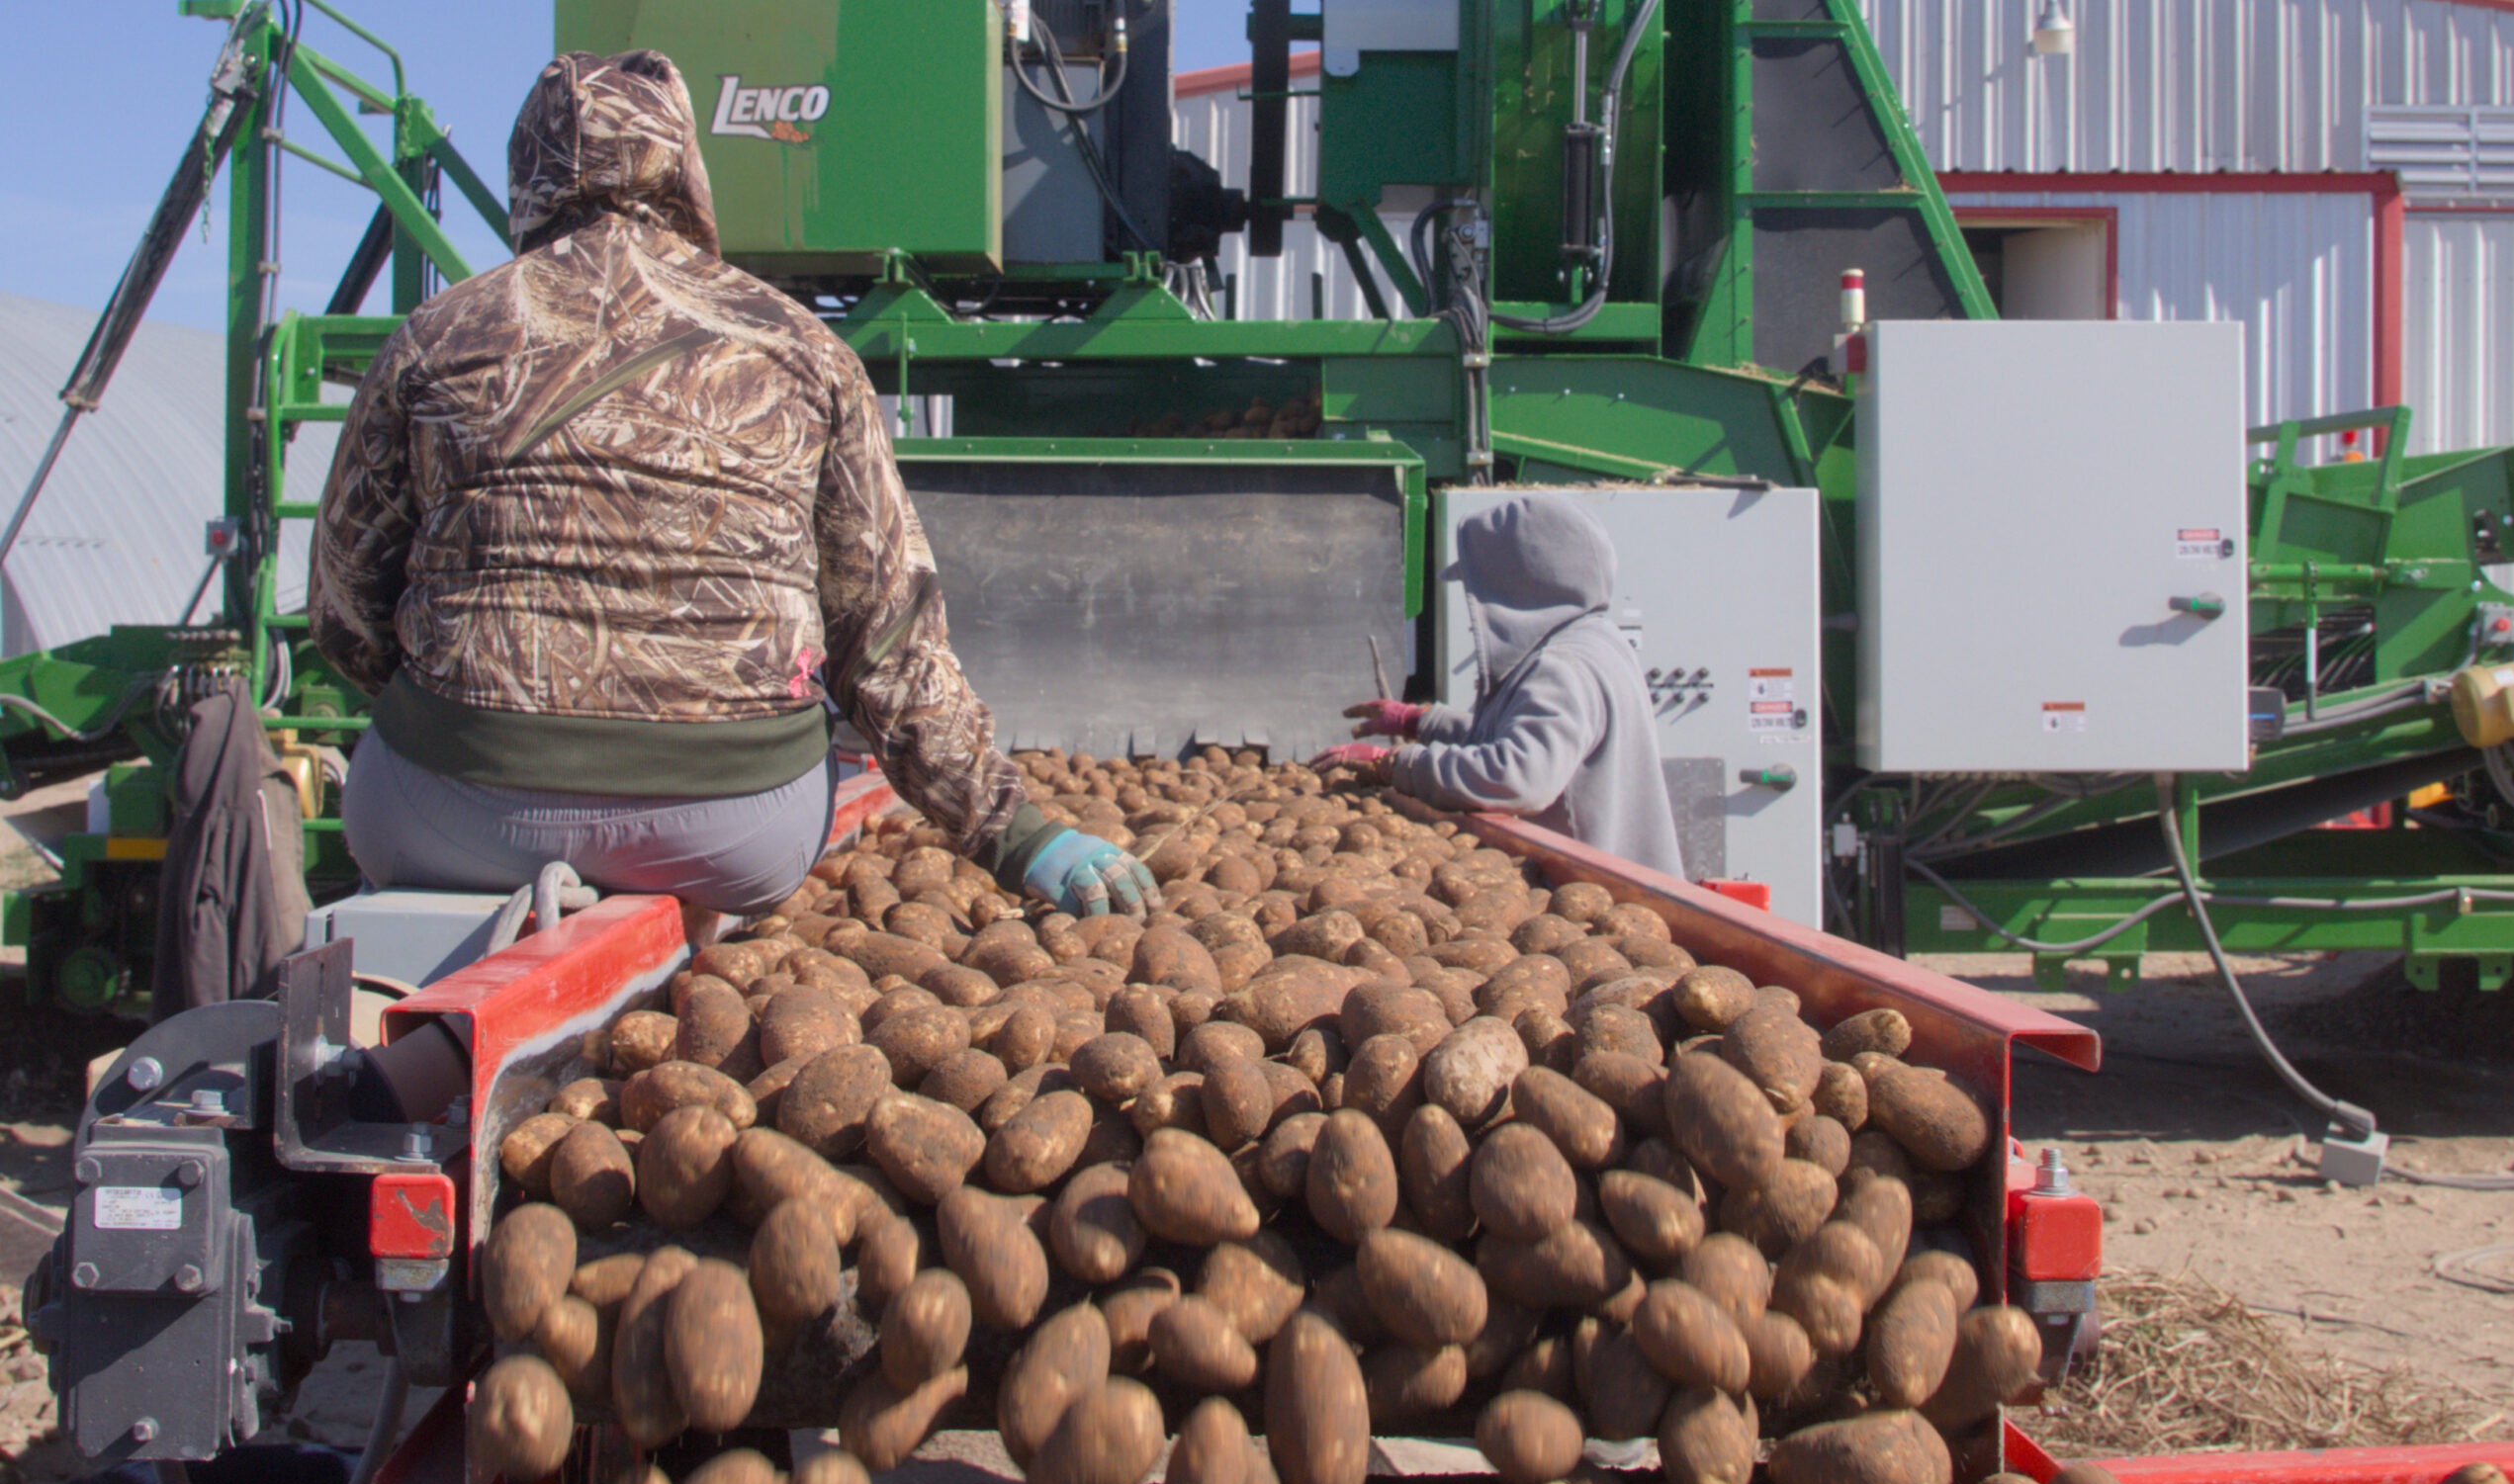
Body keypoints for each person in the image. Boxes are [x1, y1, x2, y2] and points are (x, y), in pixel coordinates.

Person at [311, 48, 1153, 920]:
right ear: (682, 166)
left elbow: (342, 610)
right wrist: (1017, 835)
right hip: (733, 828)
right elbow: (889, 637)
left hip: (454, 810)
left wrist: (487, 712)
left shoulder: (436, 334)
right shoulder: (800, 346)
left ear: (526, 175)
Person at [1315, 491, 1685, 877]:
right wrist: (1418, 721)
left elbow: (1518, 776)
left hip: (1599, 892)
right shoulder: (1599, 640)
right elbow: (1523, 738)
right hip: (1632, 879)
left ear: (1519, 585)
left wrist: (1392, 764)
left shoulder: (1561, 666)